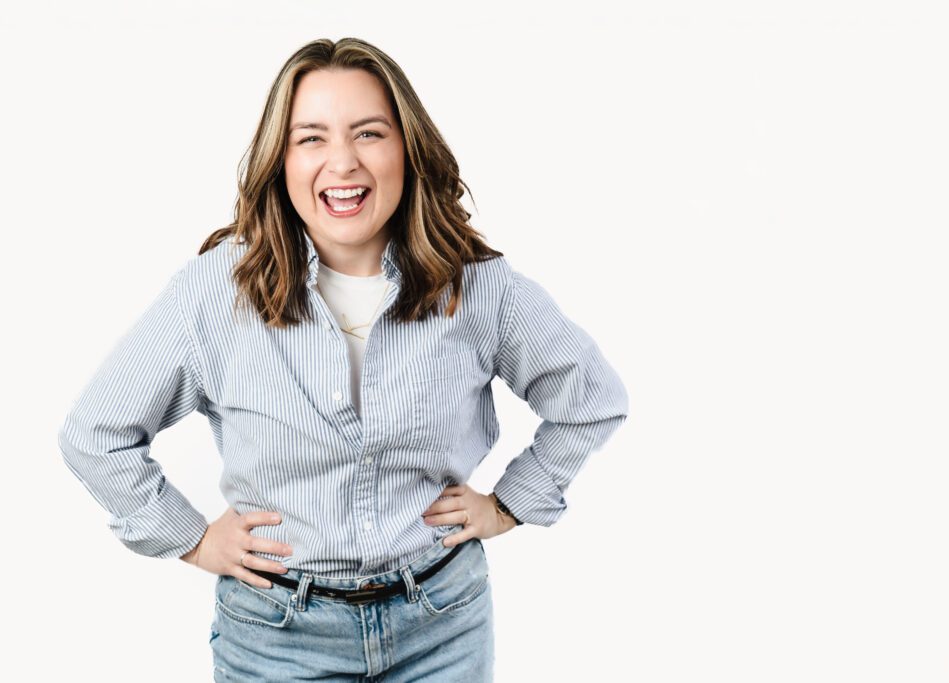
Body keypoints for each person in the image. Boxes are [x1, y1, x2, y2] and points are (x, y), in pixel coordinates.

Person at [57, 36, 629, 682]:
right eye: (312, 138)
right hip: (275, 637)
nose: (343, 162)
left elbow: (590, 398)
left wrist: (510, 503)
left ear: (407, 150)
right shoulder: (214, 292)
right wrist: (188, 537)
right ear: (282, 159)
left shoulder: (479, 287)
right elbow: (95, 433)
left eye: (369, 133)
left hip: (442, 621)